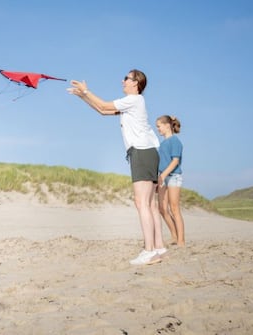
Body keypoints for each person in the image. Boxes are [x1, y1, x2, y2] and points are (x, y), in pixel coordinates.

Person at [67, 69, 165, 265]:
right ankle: (158, 248)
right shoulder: (132, 104)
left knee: (141, 203)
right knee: (149, 204)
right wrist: (82, 97)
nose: (123, 80)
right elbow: (104, 111)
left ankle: (149, 251)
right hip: (146, 152)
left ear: (136, 83)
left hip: (142, 152)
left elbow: (104, 104)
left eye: (126, 78)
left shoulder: (134, 99)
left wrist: (86, 91)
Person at [156, 115, 185, 246]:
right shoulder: (162, 144)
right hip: (162, 177)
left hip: (173, 177)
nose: (158, 129)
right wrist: (159, 178)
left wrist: (163, 175)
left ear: (167, 126)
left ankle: (181, 241)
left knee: (174, 209)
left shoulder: (175, 141)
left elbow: (175, 161)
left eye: (159, 126)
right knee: (162, 208)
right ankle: (174, 236)